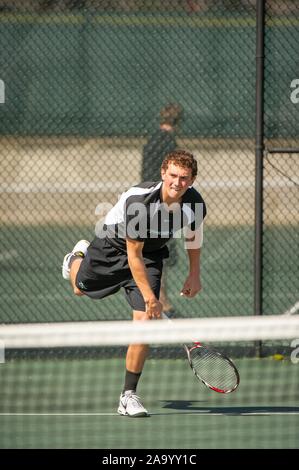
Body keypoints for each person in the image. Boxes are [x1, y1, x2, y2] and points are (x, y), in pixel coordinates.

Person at [62, 149, 206, 417]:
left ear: (193, 179)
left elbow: (193, 236)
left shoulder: (194, 204)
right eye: (173, 175)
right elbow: (133, 255)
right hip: (114, 247)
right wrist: (151, 298)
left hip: (150, 255)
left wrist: (194, 273)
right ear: (163, 174)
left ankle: (128, 395)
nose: (177, 183)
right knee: (79, 288)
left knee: (144, 324)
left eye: (184, 178)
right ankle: (76, 257)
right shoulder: (141, 203)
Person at [142, 103, 183, 312]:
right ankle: (160, 300)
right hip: (162, 203)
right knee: (161, 252)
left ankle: (159, 298)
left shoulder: (150, 142)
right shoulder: (170, 144)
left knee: (156, 251)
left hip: (148, 201)